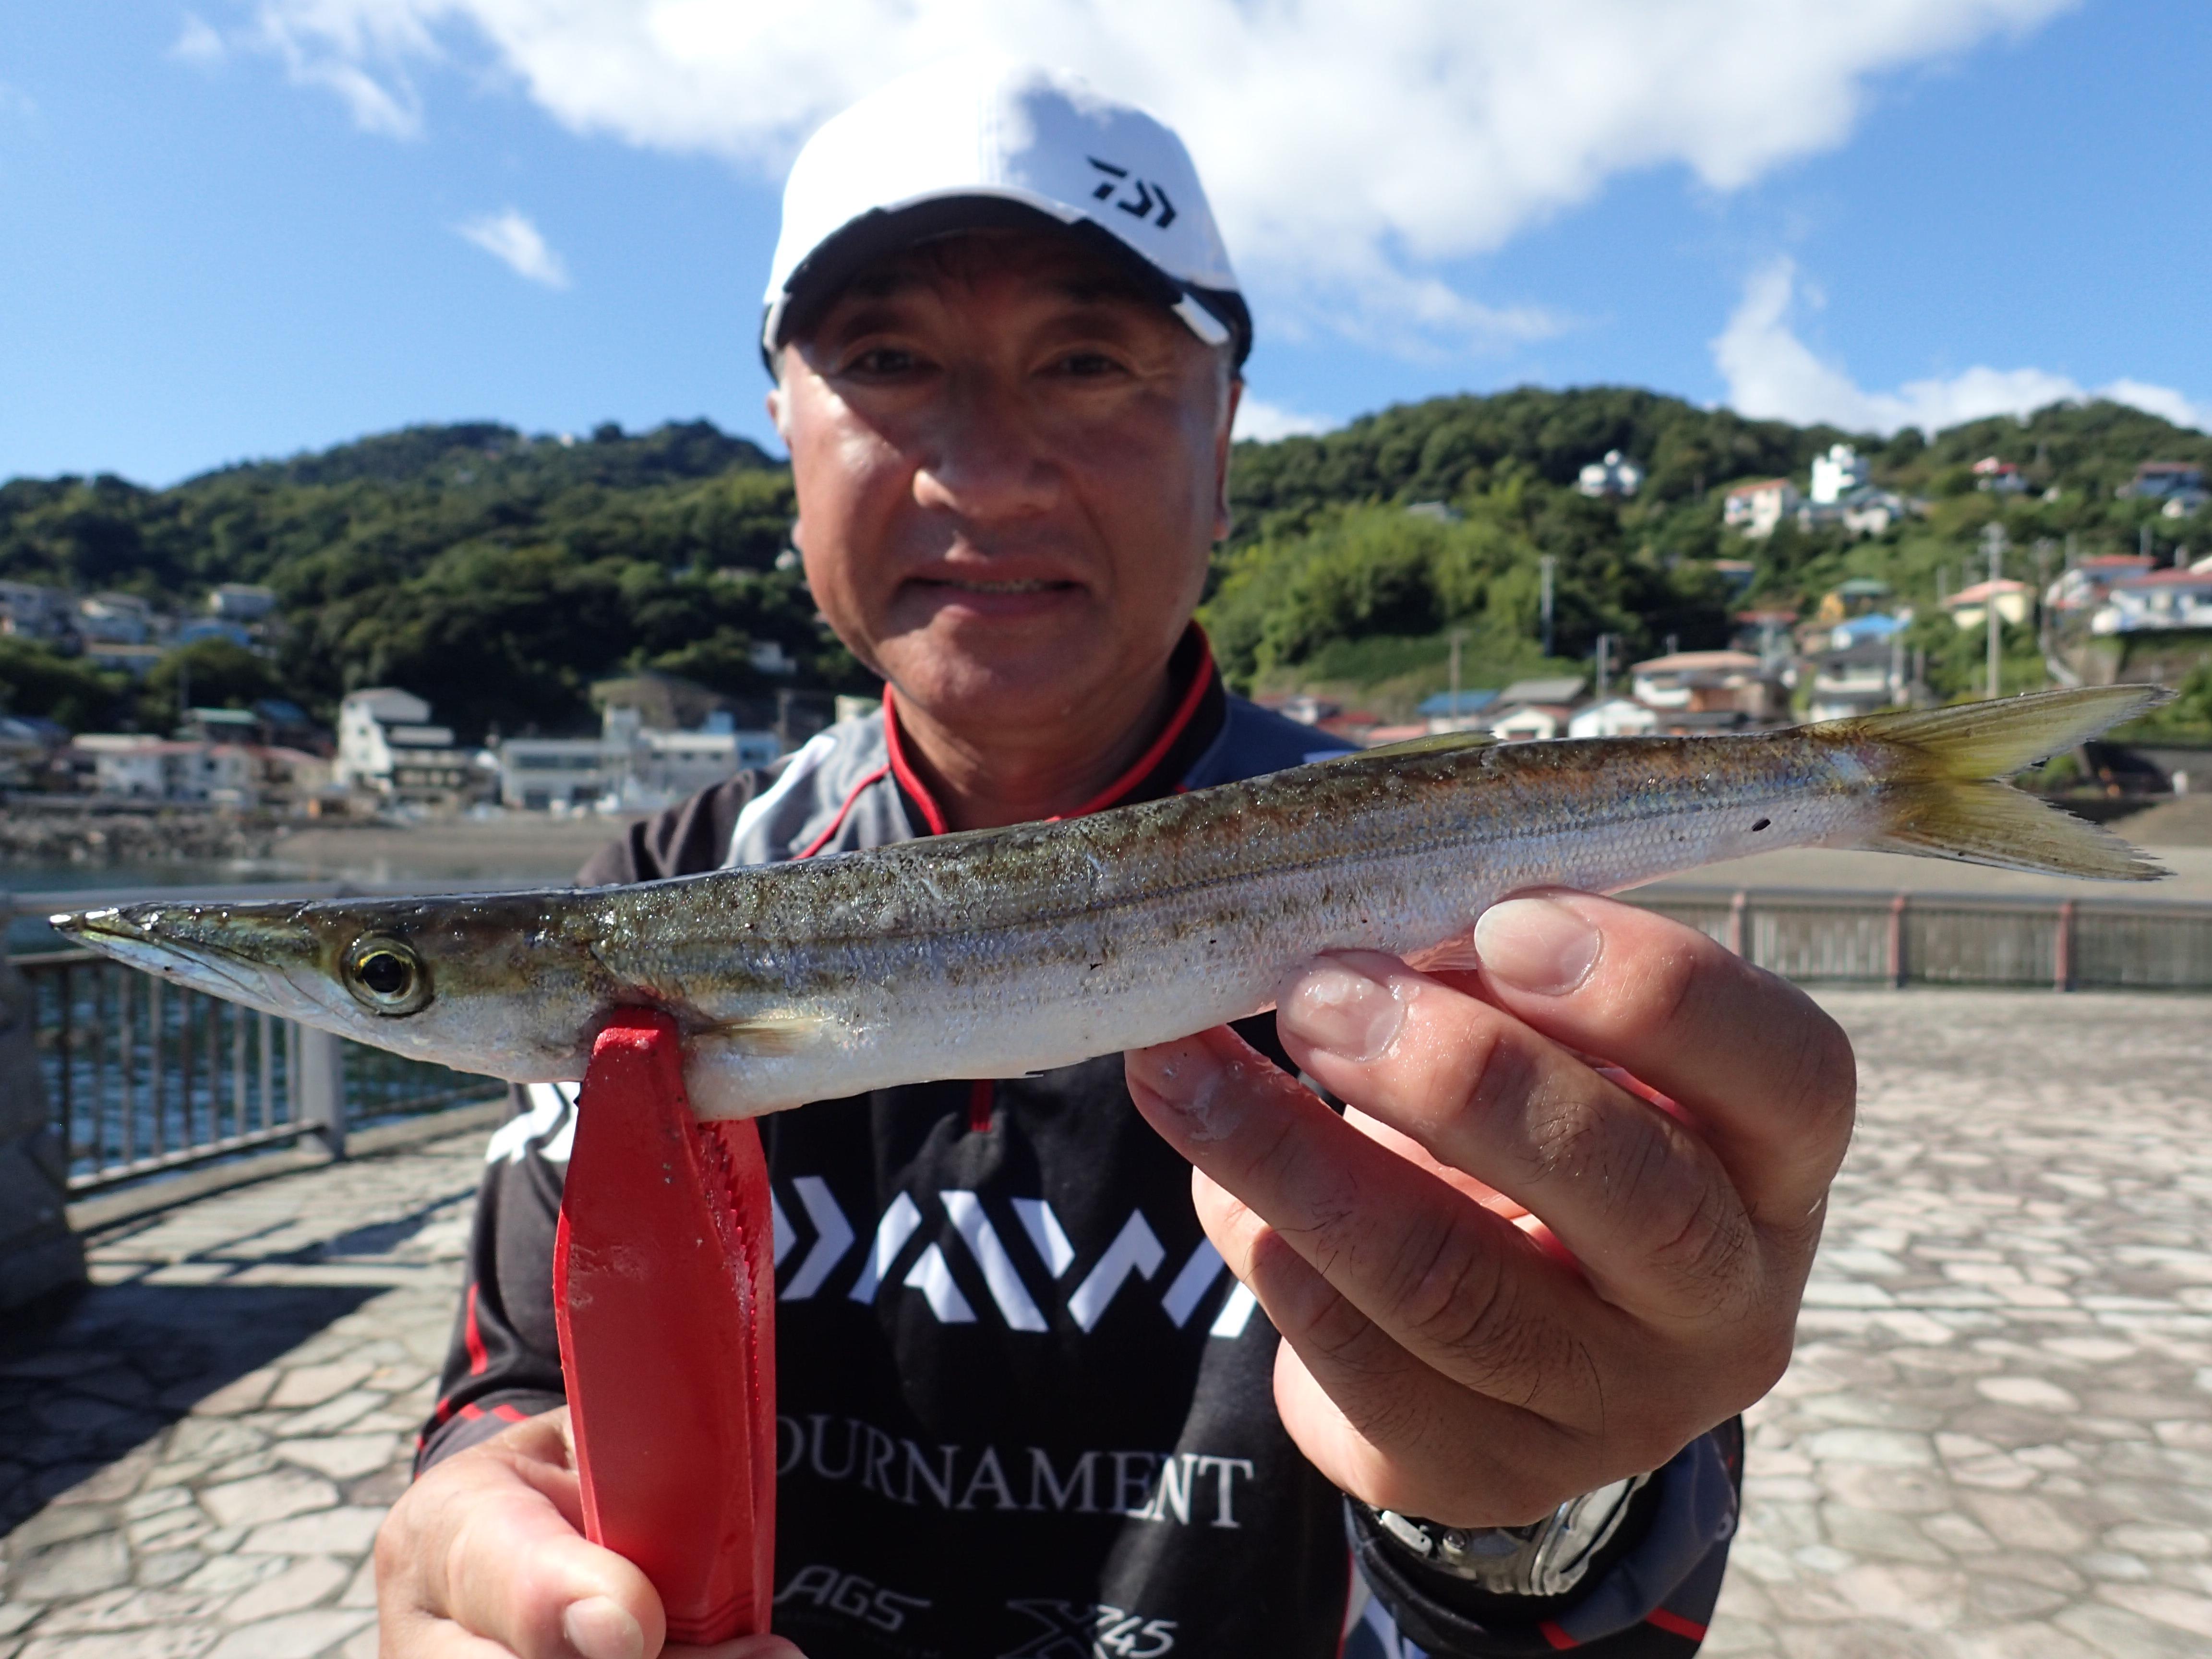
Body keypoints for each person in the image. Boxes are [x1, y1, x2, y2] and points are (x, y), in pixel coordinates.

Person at [373, 59, 1854, 1659]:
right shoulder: (657, 894)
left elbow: (1590, 1587)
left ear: (1224, 437)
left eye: (1088, 361)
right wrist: (480, 1543)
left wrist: (1551, 1503)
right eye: (884, 360)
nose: (987, 472)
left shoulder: (1438, 913)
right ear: (784, 431)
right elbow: (520, 1381)